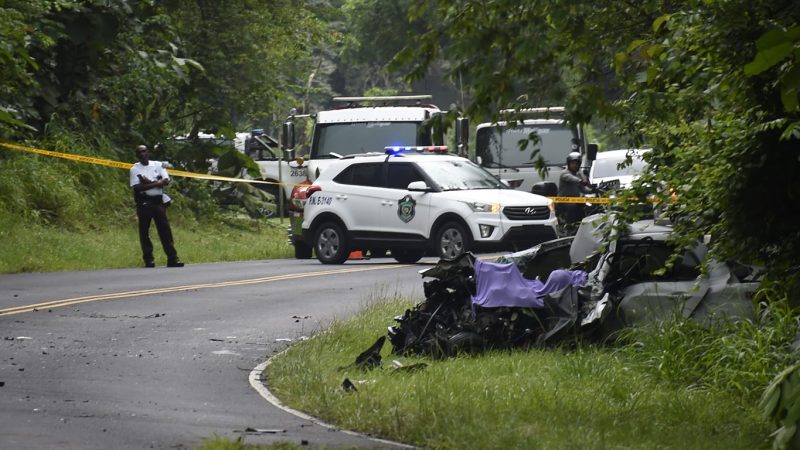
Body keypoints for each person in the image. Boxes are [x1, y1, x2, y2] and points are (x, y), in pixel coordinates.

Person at [130, 144, 184, 268]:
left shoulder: (158, 165)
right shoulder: (134, 169)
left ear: (148, 153)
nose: (142, 154)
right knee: (144, 231)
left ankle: (172, 258)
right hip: (144, 202)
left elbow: (166, 181)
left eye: (144, 151)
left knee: (165, 230)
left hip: (158, 201)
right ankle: (149, 259)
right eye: (140, 153)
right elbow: (138, 187)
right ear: (137, 155)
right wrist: (156, 183)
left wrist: (148, 182)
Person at [557, 151, 593, 227]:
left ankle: (582, 226)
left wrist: (592, 190)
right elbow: (571, 179)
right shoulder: (564, 173)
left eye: (576, 163)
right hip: (564, 201)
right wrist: (581, 181)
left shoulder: (578, 175)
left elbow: (583, 189)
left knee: (587, 207)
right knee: (573, 207)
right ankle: (569, 226)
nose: (575, 165)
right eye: (572, 163)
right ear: (569, 163)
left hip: (575, 201)